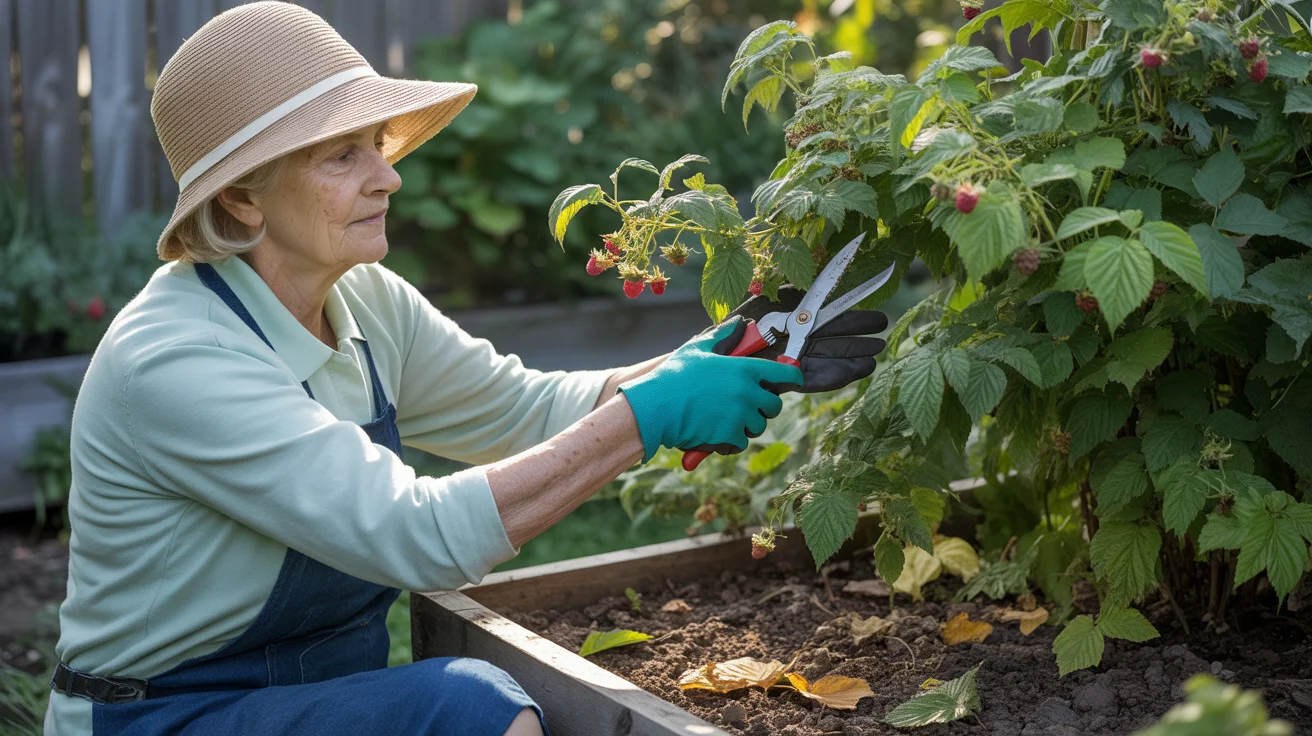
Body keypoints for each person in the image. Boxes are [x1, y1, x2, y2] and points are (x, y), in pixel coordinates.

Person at [44, 3, 886, 735]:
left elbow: (521, 410)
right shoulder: (177, 361)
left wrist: (693, 361)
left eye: (376, 144)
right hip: (159, 716)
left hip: (326, 697)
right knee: (473, 710)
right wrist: (648, 416)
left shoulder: (367, 300)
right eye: (343, 157)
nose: (390, 175)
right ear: (241, 198)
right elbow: (421, 537)